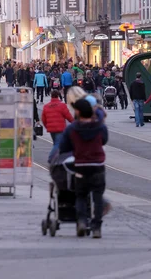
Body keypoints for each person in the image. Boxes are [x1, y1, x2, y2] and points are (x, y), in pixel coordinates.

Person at [59, 98, 107, 238]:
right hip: (97, 165)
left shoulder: (72, 129)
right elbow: (104, 140)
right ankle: (96, 227)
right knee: (97, 197)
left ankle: (81, 222)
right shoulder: (100, 127)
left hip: (80, 165)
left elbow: (64, 148)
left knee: (80, 195)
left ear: (78, 112)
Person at [42, 90, 74, 163]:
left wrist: (47, 126)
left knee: (56, 143)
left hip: (51, 129)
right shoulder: (62, 105)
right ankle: (51, 158)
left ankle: (57, 158)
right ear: (58, 96)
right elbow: (68, 116)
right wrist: (74, 122)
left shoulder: (46, 106)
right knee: (58, 144)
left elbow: (43, 119)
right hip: (60, 128)